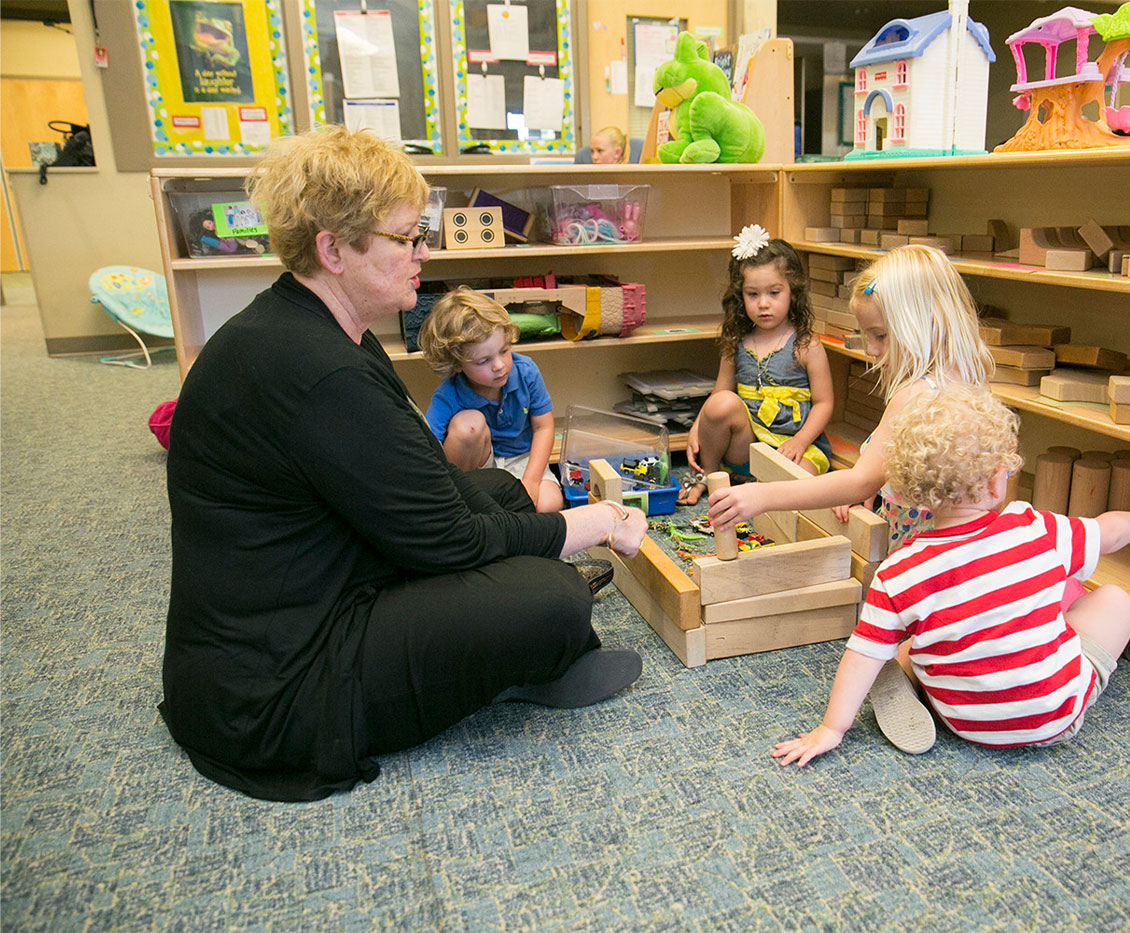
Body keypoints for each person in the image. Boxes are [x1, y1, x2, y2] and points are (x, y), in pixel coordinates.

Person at [160, 126, 648, 802]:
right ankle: (514, 657)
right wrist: (595, 521)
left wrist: (536, 518)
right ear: (333, 249)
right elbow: (446, 539)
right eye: (405, 238)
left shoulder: (327, 332)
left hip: (314, 579)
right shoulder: (319, 371)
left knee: (501, 492)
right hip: (280, 686)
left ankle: (510, 625)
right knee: (555, 599)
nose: (424, 251)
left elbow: (436, 480)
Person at [773, 387, 1130, 766]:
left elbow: (859, 654)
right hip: (1055, 718)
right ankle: (1013, 667)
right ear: (992, 480)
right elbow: (1108, 533)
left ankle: (906, 667)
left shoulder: (899, 571)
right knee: (1114, 600)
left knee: (920, 632)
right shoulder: (1032, 527)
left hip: (962, 720)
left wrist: (831, 729)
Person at [707, 243, 992, 548]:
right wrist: (880, 482)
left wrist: (762, 495)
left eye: (880, 335)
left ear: (923, 323)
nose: (871, 350)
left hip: (916, 547)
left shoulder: (913, 396)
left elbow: (859, 481)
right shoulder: (972, 377)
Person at [681, 226, 834, 504]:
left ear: (793, 292)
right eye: (753, 295)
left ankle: (757, 487)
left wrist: (800, 441)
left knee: (802, 488)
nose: (763, 304)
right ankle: (709, 476)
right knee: (721, 404)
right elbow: (718, 395)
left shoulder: (806, 345)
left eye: (774, 293)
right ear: (741, 296)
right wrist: (696, 427)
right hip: (747, 450)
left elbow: (824, 403)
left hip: (796, 447)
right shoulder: (737, 341)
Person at [418, 287, 564, 512]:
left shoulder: (526, 371)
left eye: (504, 351)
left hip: (523, 459)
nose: (499, 365)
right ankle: (460, 502)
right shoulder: (449, 393)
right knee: (469, 425)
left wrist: (532, 481)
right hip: (478, 469)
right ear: (457, 365)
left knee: (550, 504)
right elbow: (428, 449)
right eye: (483, 361)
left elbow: (543, 428)